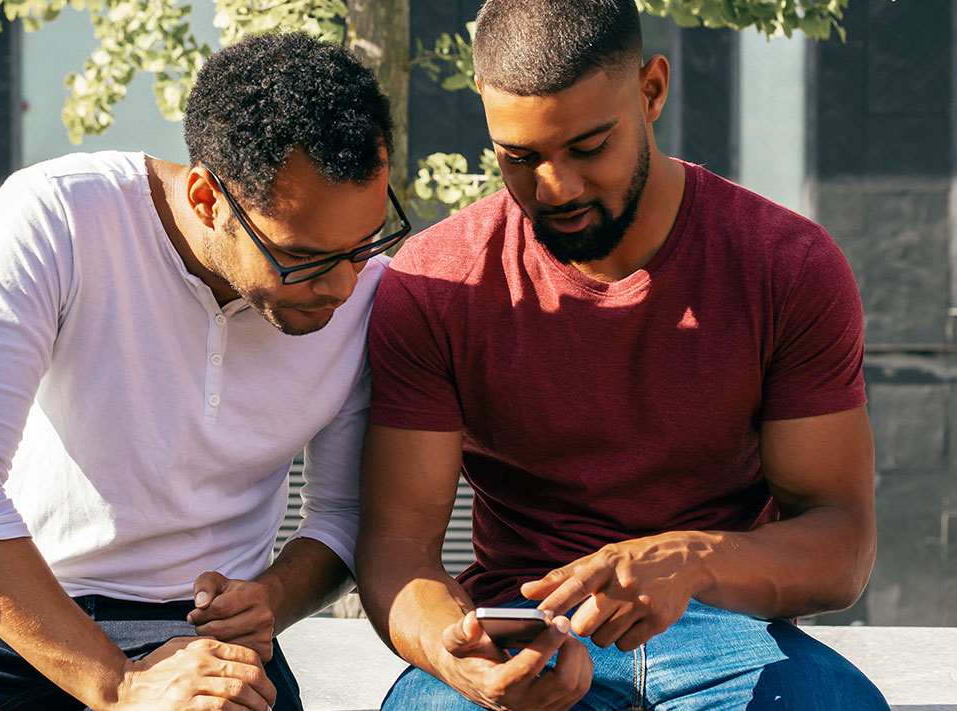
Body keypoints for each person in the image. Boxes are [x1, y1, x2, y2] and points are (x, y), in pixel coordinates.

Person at [0, 31, 406, 711]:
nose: (341, 284)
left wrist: (270, 595)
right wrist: (122, 684)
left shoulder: (372, 292)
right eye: (303, 256)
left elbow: (339, 515)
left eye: (363, 245)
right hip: (15, 609)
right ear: (208, 198)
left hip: (201, 631)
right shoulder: (62, 215)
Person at [354, 1, 889, 709]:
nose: (558, 187)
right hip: (528, 629)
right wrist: (458, 656)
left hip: (728, 627)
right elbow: (398, 547)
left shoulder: (784, 265)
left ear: (652, 90)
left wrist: (692, 559)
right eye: (521, 158)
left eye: (588, 146)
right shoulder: (436, 280)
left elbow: (842, 543)